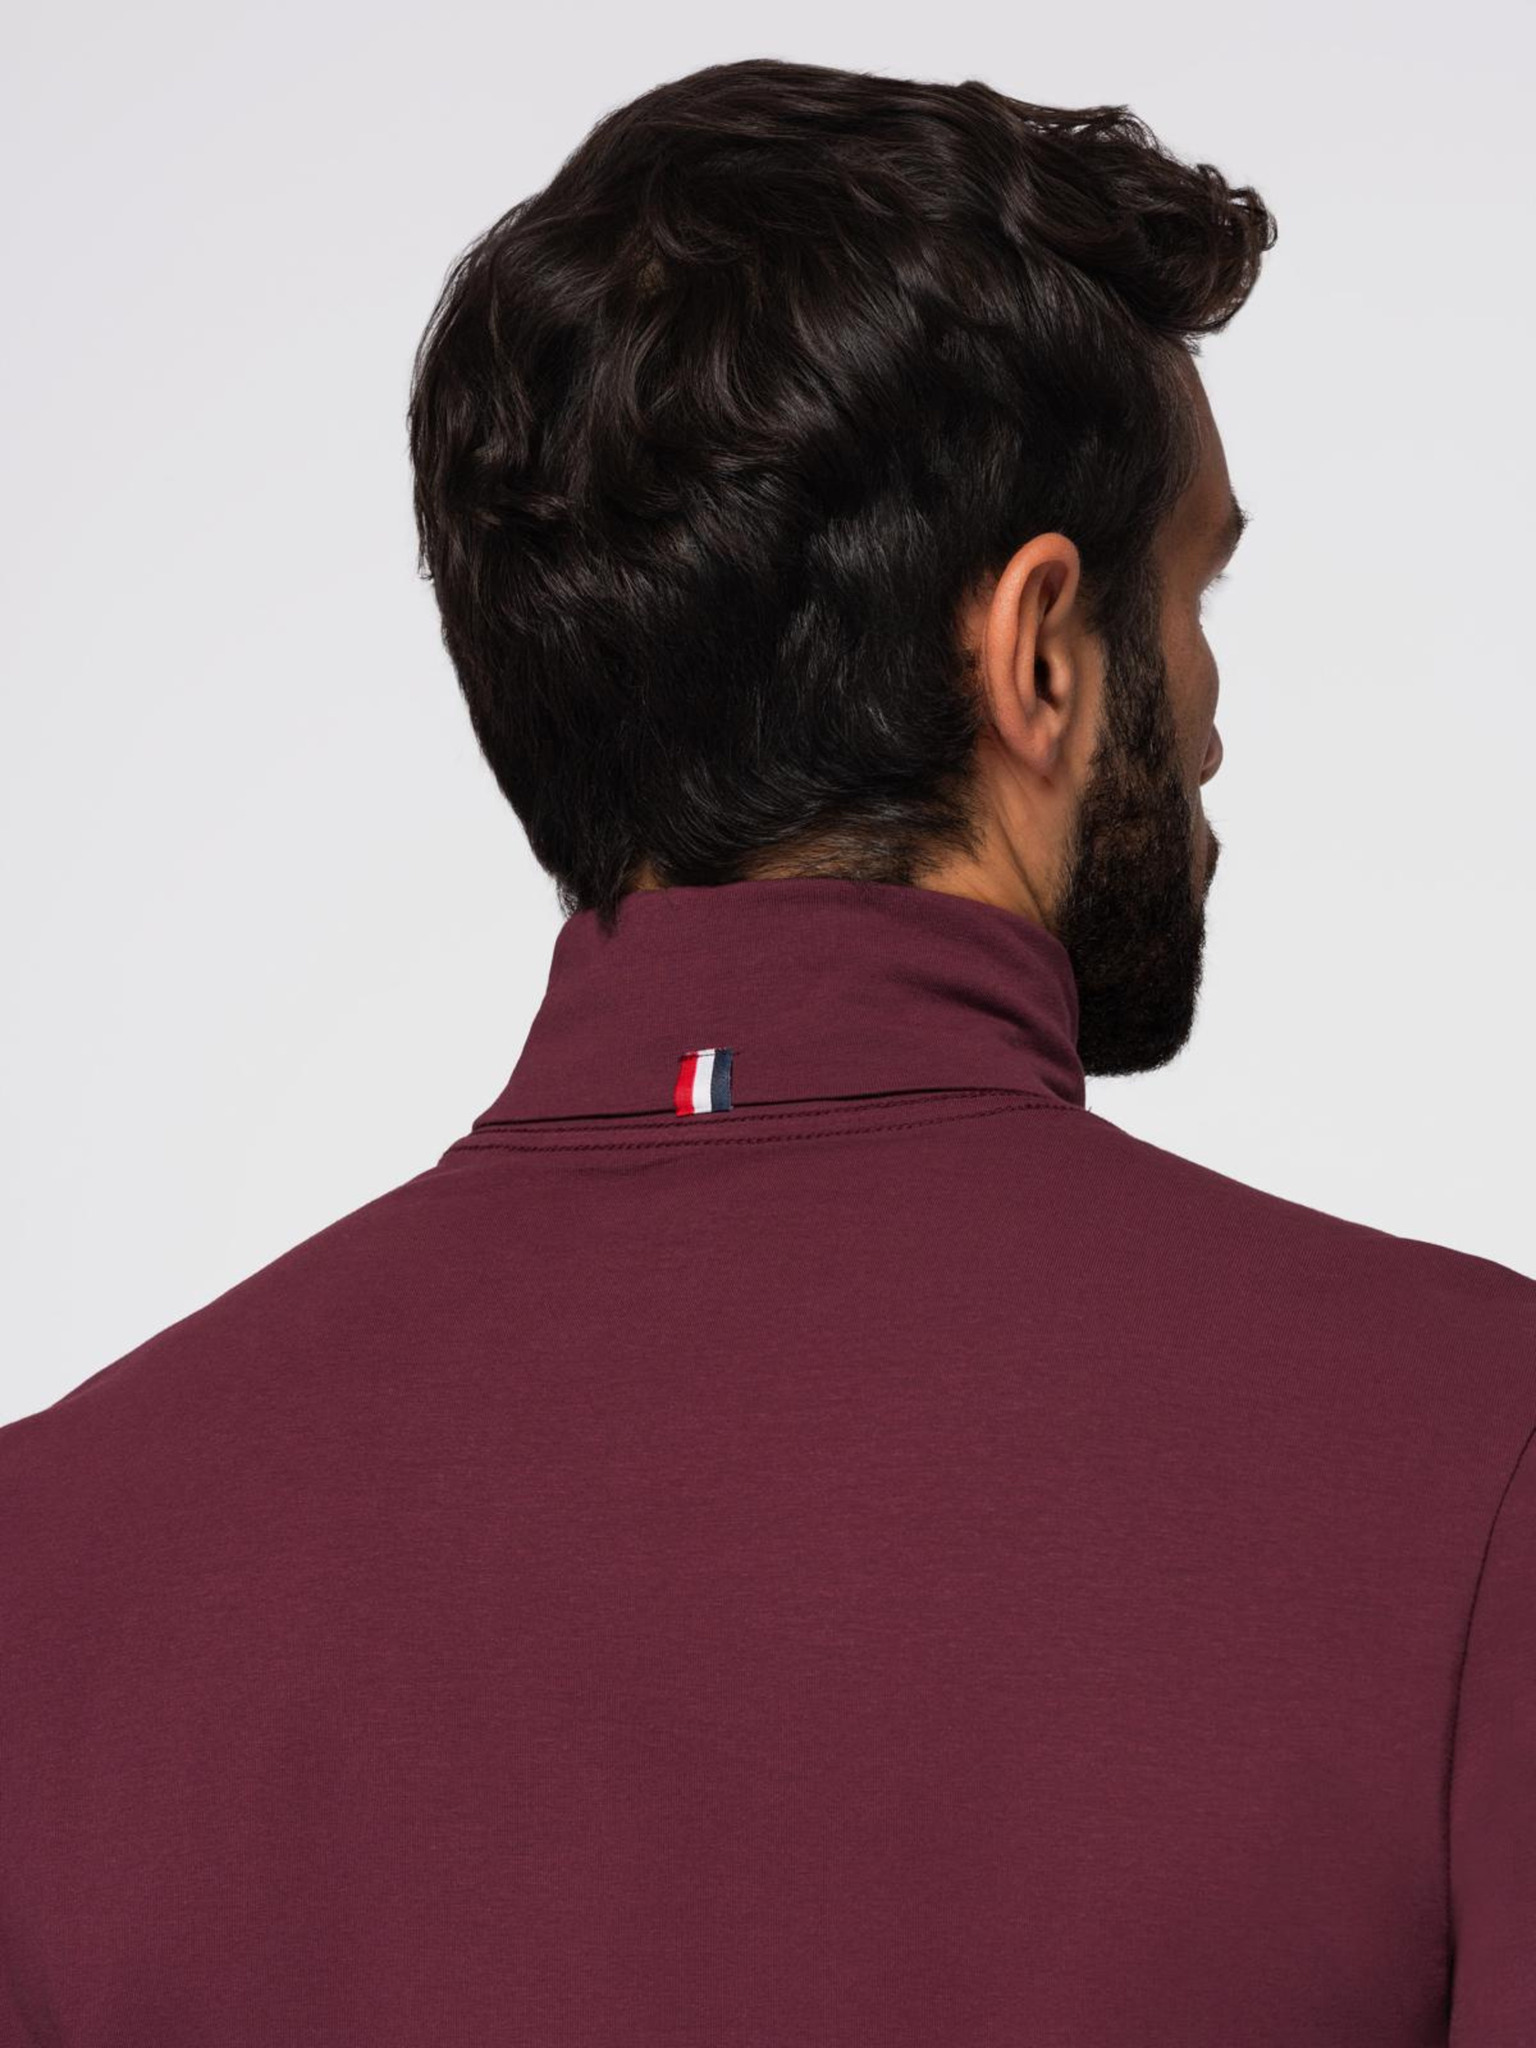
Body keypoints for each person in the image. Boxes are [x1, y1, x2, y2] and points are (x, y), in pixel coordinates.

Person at [1, 55, 1531, 2047]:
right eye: (1192, 589)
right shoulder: (1477, 1460)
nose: (1216, 707)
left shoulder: (50, 1563)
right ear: (1038, 651)